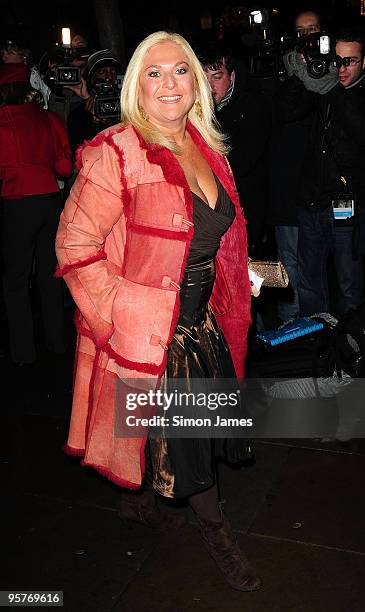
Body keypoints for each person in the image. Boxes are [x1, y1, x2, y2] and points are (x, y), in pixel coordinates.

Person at [56, 31, 261, 592]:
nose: (168, 84)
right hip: (151, 330)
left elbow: (210, 237)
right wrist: (122, 321)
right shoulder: (115, 152)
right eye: (154, 72)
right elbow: (74, 250)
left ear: (196, 81)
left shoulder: (208, 147)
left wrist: (244, 270)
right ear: (135, 86)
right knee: (192, 447)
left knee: (169, 433)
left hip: (202, 322)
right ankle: (219, 537)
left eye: (179, 71)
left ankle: (139, 498)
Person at [286, 28, 365, 316]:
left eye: (350, 61)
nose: (341, 69)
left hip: (346, 204)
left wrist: (331, 89)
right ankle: (314, 349)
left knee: (348, 286)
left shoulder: (347, 92)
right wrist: (298, 75)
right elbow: (286, 112)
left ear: (364, 63)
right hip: (311, 202)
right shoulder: (322, 84)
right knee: (309, 285)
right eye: (337, 60)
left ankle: (350, 351)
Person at [0, 63, 72, 364]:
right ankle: (57, 343)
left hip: (16, 202)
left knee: (16, 280)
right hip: (49, 202)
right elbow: (65, 168)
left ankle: (24, 353)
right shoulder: (49, 119)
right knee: (49, 275)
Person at [268, 8, 322, 322]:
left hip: (320, 188)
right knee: (289, 264)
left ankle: (320, 332)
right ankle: (292, 332)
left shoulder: (332, 69)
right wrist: (294, 76)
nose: (307, 38)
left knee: (317, 268)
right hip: (287, 188)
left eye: (312, 30)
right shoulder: (283, 67)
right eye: (300, 32)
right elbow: (283, 113)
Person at [200, 43, 271, 252]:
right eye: (203, 77)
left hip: (245, 208)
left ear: (231, 76)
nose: (209, 86)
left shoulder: (254, 106)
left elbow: (245, 163)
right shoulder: (191, 109)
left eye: (217, 76)